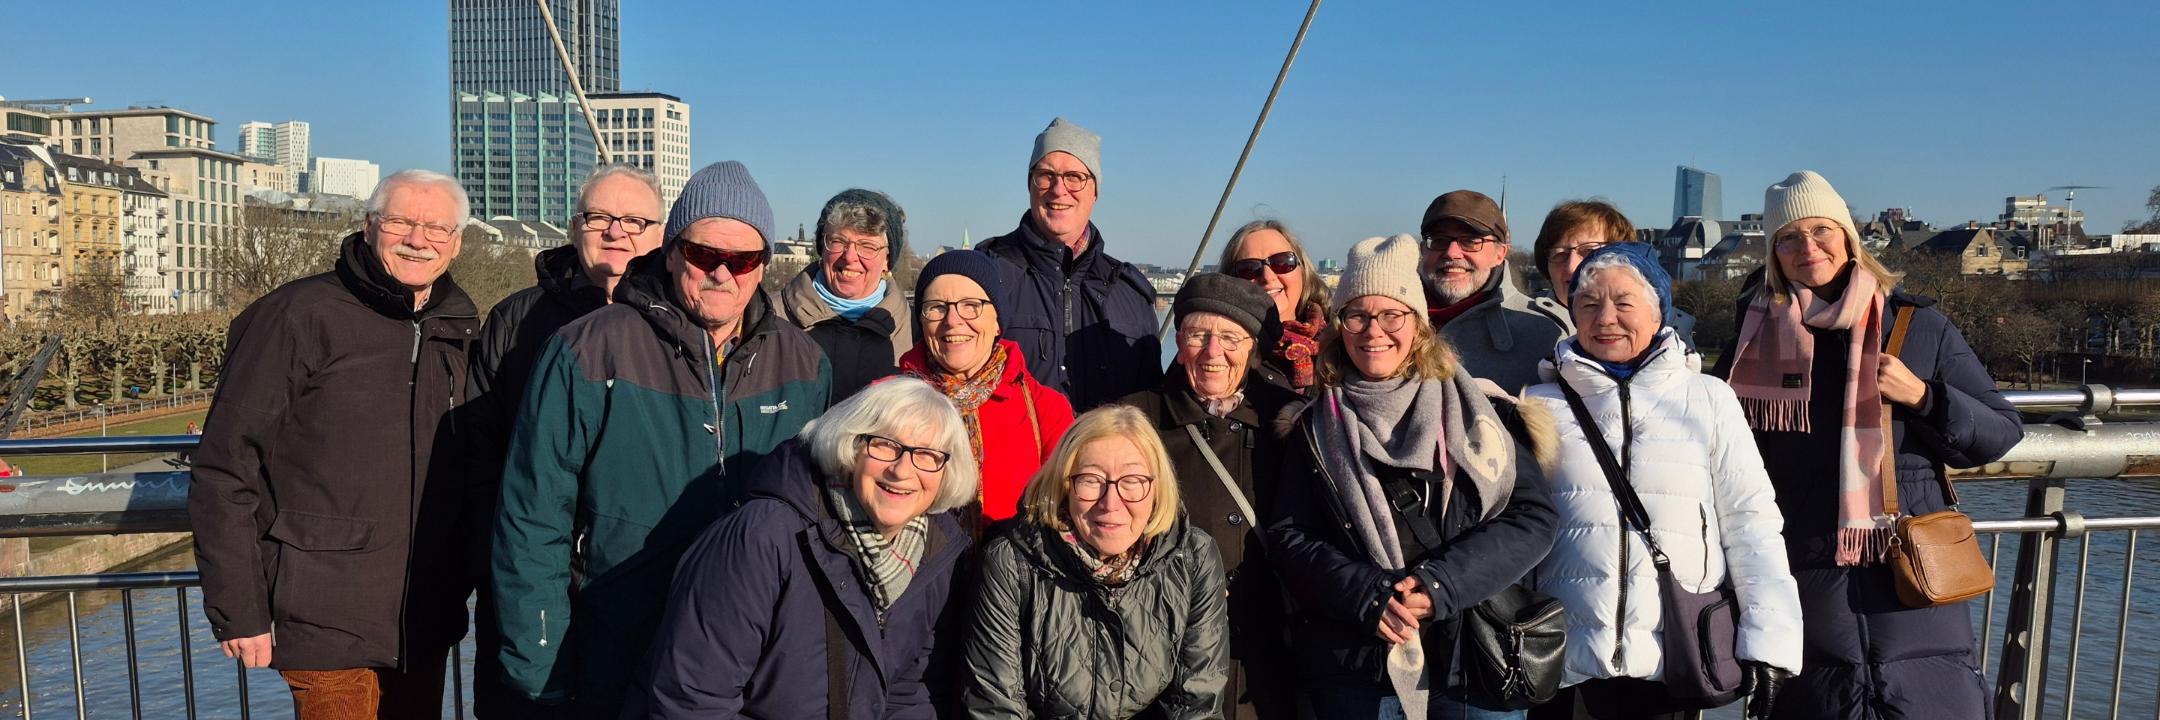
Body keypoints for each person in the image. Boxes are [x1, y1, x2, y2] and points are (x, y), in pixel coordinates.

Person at [491, 160, 832, 715]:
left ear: (763, 266)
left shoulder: (804, 364)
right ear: (672, 252)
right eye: (704, 255)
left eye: (743, 259)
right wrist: (541, 663)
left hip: (745, 661)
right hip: (616, 648)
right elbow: (532, 518)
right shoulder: (588, 348)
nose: (723, 273)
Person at [1711, 171, 2022, 720]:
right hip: (1801, 572)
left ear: (1848, 237)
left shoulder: (1917, 325)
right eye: (1788, 237)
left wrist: (1924, 396)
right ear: (1773, 254)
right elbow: (1718, 445)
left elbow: (1999, 432)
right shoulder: (1752, 335)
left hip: (1907, 573)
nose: (1808, 247)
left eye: (1821, 230)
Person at [189, 169, 480, 718]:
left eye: (438, 228)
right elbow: (226, 467)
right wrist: (239, 608)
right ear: (370, 226)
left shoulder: (457, 325)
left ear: (457, 241)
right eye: (401, 222)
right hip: (322, 608)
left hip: (424, 611)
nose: (419, 239)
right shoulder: (297, 315)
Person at [1270, 234, 1558, 720]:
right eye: (1357, 315)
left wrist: (1440, 585)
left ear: (1418, 324)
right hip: (1356, 666)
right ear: (1340, 327)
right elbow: (1290, 536)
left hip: (1472, 662)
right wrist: (1367, 595)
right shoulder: (1313, 428)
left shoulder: (1482, 414)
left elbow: (1530, 517)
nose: (1373, 331)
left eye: (1392, 315)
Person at [1521, 243, 1801, 720]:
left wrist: (1770, 643)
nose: (1605, 317)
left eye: (1624, 303)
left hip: (1673, 657)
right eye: (1588, 304)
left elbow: (1750, 524)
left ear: (1658, 313)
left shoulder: (1709, 399)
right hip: (1562, 661)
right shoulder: (1538, 405)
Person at [624, 377, 979, 718]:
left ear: (947, 471)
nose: (902, 470)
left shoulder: (934, 554)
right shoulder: (763, 536)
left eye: (927, 455)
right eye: (885, 444)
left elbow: (908, 691)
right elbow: (693, 699)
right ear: (852, 447)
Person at [467, 163, 666, 718]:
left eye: (634, 220)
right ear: (575, 226)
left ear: (660, 233)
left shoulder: (685, 325)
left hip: (635, 585)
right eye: (599, 216)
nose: (616, 231)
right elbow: (480, 452)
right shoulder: (517, 320)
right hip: (532, 578)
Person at [959, 405, 1230, 719]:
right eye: (1090, 480)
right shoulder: (1009, 563)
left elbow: (1197, 705)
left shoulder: (1193, 556)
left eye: (1132, 480)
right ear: (1064, 486)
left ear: (1157, 488)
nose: (1110, 503)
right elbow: (995, 708)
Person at [1120, 273, 1305, 719]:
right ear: (1179, 342)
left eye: (1230, 337)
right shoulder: (1133, 419)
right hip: (1164, 652)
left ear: (1254, 349)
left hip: (1268, 656)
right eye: (1198, 335)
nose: (1212, 351)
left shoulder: (1289, 420)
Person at [975, 117, 1162, 410]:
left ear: (1095, 191)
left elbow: (1152, 408)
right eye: (1046, 175)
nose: (1059, 190)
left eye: (1075, 177)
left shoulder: (1131, 295)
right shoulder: (986, 276)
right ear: (1030, 185)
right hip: (1022, 456)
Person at [898, 250, 1074, 531]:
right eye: (936, 307)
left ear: (997, 323)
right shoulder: (889, 403)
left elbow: (1065, 519)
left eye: (971, 305)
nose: (952, 320)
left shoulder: (1046, 410)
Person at [1418, 190, 1570, 394]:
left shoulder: (1547, 333)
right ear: (1423, 249)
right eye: (1439, 240)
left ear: (1501, 253)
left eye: (1471, 241)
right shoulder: (1381, 323)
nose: (1451, 252)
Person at [780, 189, 914, 400]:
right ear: (822, 249)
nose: (850, 256)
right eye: (838, 241)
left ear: (888, 260)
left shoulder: (916, 330)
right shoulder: (768, 316)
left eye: (867, 246)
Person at [1526, 200, 1696, 349]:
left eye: (1588, 251)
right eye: (1560, 254)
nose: (1572, 267)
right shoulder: (1521, 323)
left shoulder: (1674, 328)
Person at [1218, 219, 1330, 394]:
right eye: (1249, 268)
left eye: (1282, 262)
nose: (1268, 277)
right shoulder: (1212, 351)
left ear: (1302, 269)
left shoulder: (1345, 342)